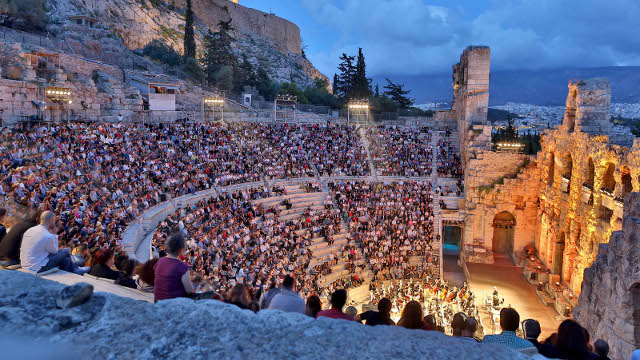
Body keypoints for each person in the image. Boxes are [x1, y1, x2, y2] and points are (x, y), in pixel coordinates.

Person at [153, 233, 194, 302]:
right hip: (172, 305)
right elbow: (190, 291)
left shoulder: (160, 261)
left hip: (157, 302)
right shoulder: (182, 267)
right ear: (181, 249)